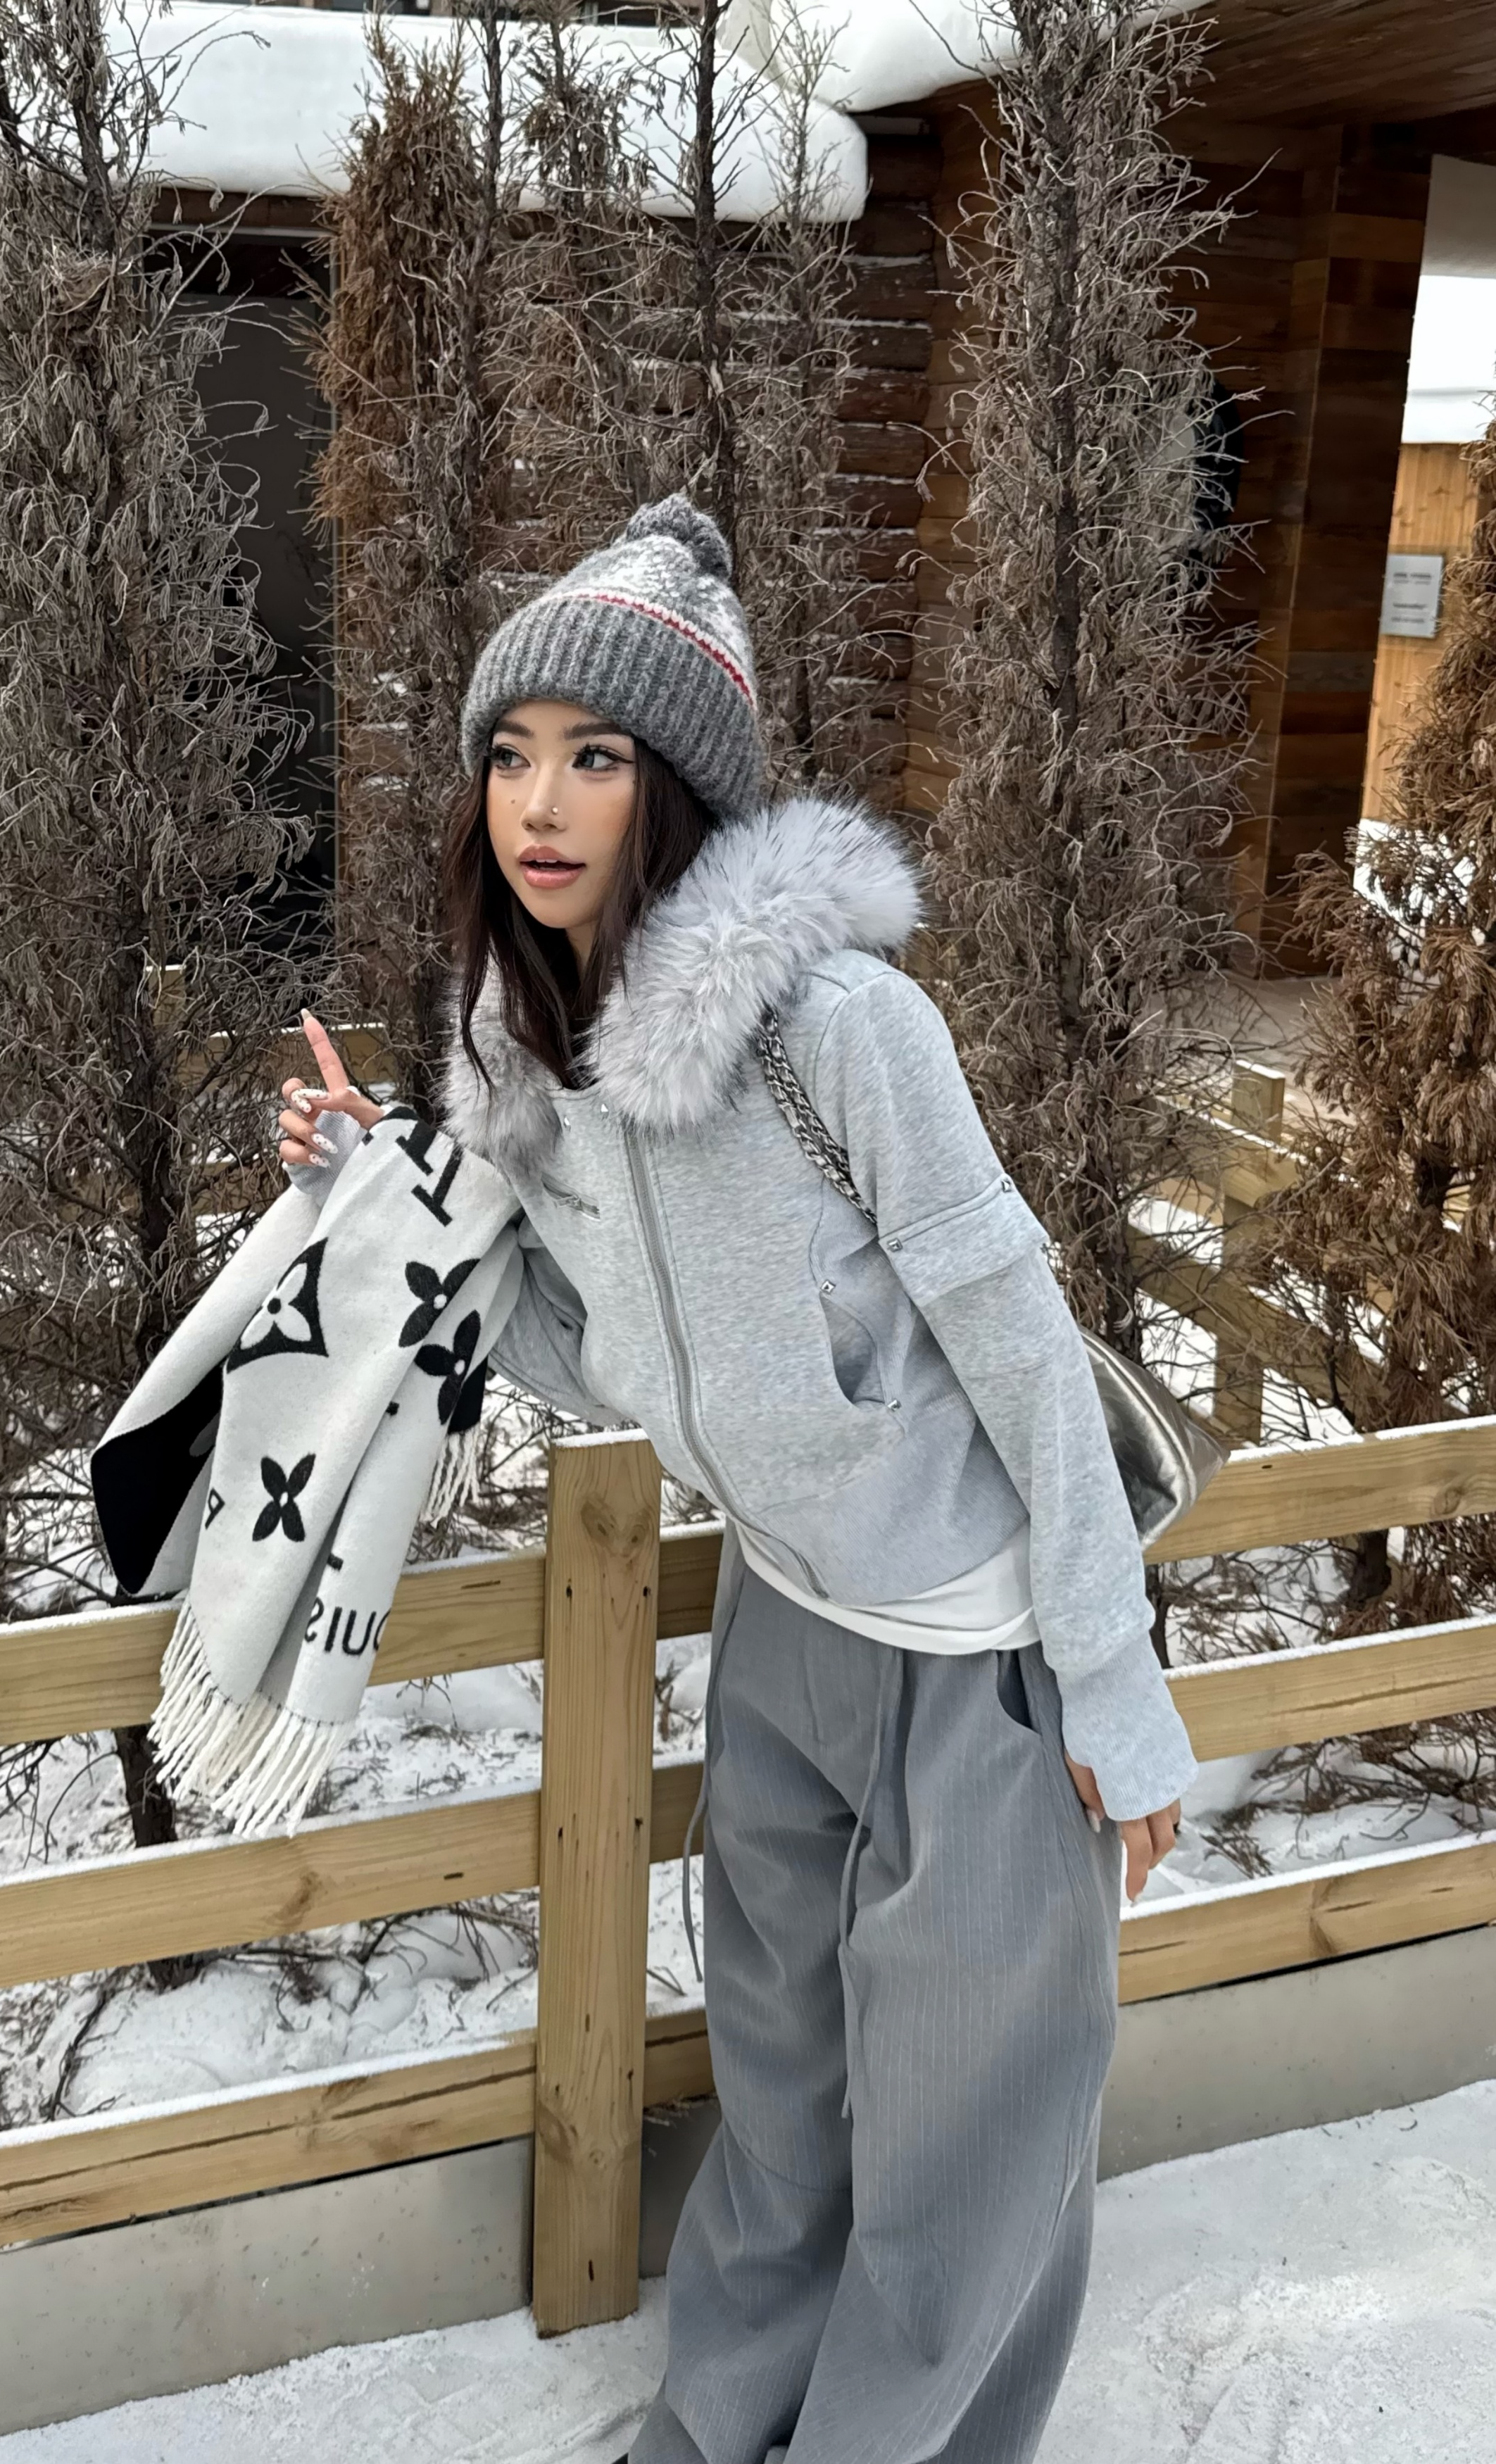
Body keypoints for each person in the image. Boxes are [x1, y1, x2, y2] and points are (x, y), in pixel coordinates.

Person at [277, 497, 1194, 2464]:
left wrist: (1111, 1686)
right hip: (788, 1631)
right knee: (781, 2103)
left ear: (675, 786)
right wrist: (380, 1193)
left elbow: (1024, 1348)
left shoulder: (844, 1028)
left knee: (965, 2151)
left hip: (984, 1661)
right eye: (511, 752)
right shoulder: (530, 1055)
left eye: (594, 755)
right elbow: (579, 1351)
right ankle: (713, 2428)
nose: (540, 802)